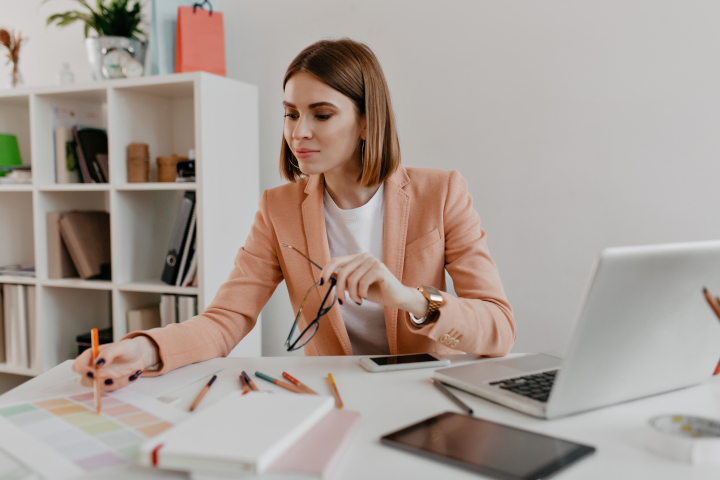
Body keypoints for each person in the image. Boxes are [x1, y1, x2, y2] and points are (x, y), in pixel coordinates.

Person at [72, 38, 516, 391]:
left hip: (423, 397)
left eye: (321, 115)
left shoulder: (441, 193)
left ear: (366, 121)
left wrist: (407, 298)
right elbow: (227, 319)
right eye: (290, 114)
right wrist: (147, 349)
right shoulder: (278, 209)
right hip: (329, 397)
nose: (298, 133)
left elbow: (500, 329)